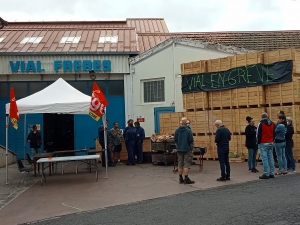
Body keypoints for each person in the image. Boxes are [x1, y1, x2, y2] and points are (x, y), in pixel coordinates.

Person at [174, 117, 194, 184]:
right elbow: (191, 140)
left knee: (180, 163)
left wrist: (178, 147)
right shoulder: (188, 130)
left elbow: (175, 140)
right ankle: (186, 178)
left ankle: (180, 178)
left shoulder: (177, 130)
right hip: (187, 149)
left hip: (179, 149)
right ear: (186, 123)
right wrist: (191, 148)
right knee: (186, 164)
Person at [256, 112, 275, 179]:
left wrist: (258, 142)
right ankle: (272, 173)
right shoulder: (272, 123)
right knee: (270, 158)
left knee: (264, 159)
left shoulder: (261, 124)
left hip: (263, 143)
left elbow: (258, 134)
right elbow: (274, 133)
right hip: (270, 142)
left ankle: (266, 173)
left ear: (262, 117)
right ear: (267, 116)